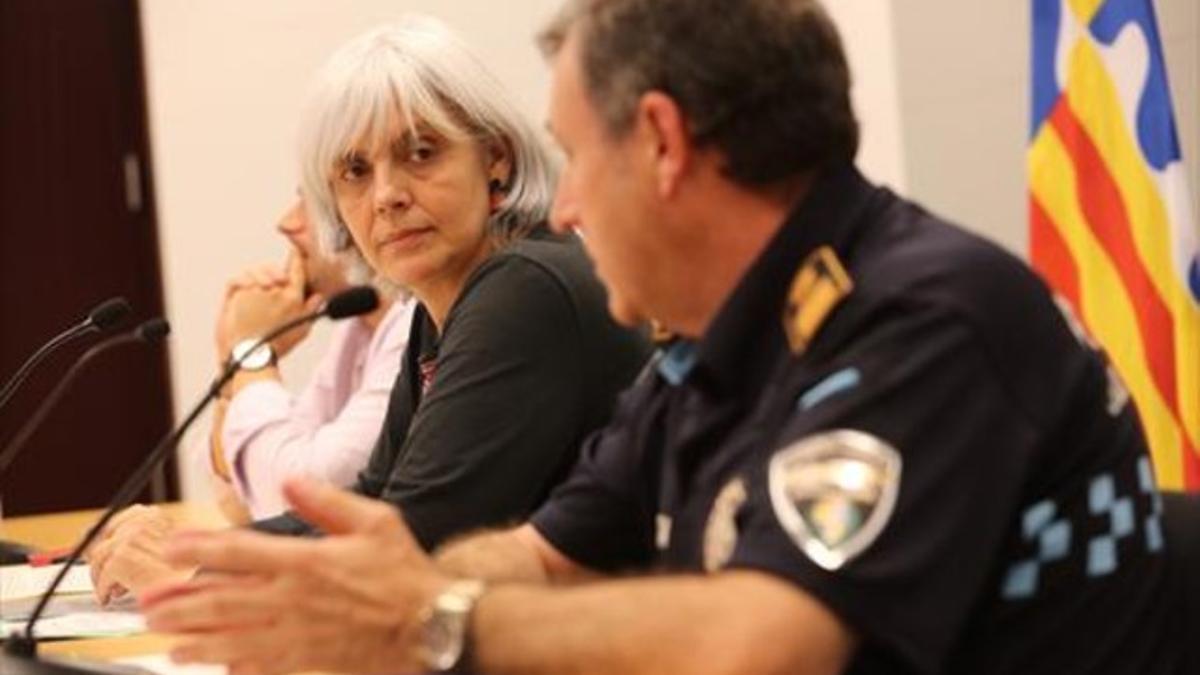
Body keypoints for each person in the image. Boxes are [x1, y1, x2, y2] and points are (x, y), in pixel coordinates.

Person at [140, 1, 1181, 673]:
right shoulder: (709, 348)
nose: (563, 212)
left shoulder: (929, 321)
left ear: (663, 144)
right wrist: (398, 591)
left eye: (572, 158)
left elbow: (763, 642)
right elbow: (545, 556)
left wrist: (428, 621)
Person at [88, 15, 650, 604]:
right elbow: (368, 506)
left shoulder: (523, 288)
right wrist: (192, 551)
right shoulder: (438, 310)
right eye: (355, 171)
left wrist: (193, 577)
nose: (387, 196)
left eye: (421, 153)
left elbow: (412, 540)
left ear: (496, 160)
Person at [207, 200, 413, 522]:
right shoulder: (358, 329)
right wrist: (230, 364)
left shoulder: (414, 326)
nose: (286, 222)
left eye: (310, 204)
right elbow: (242, 501)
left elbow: (297, 499)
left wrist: (250, 351)